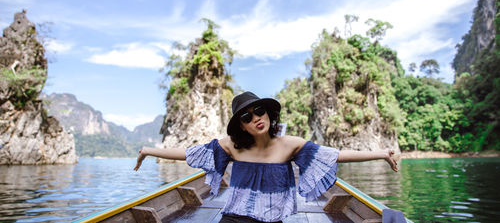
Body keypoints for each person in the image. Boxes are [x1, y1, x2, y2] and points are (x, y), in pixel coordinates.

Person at [134, 91, 398, 223]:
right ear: (242, 126)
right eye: (246, 117)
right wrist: (148, 150)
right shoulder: (233, 146)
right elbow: (187, 153)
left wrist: (381, 153)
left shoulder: (289, 145)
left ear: (269, 114)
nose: (255, 118)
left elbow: (337, 155)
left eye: (259, 110)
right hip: (235, 218)